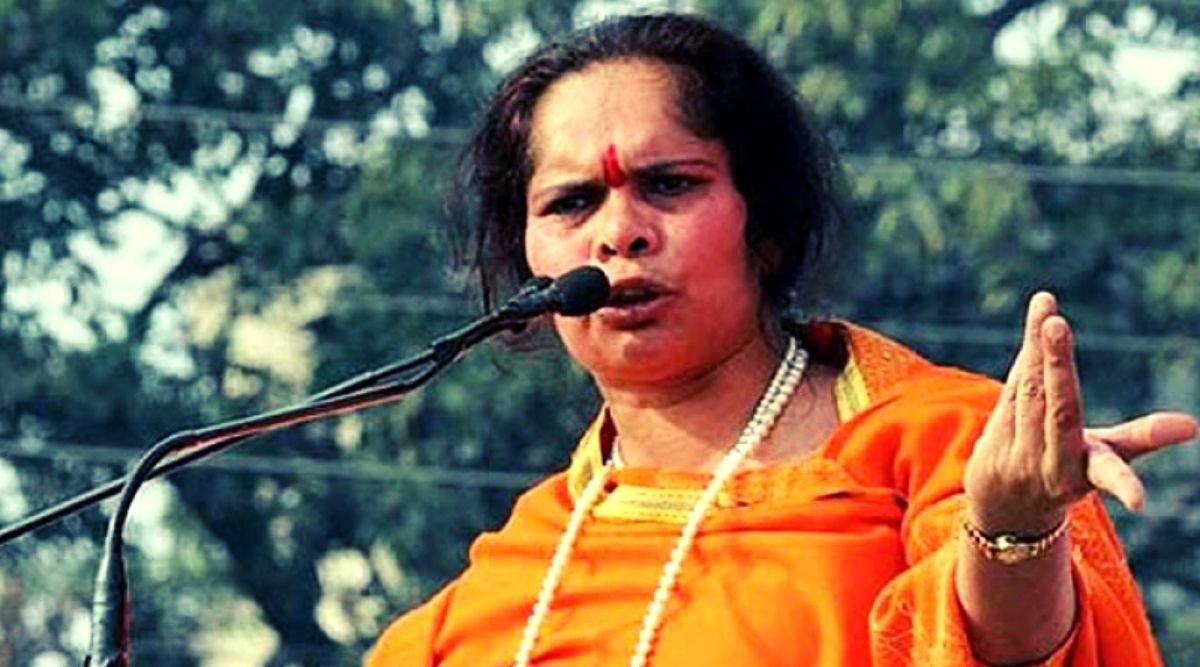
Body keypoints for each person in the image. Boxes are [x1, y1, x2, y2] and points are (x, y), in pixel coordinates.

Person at [366, 13, 1197, 666]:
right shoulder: (510, 573)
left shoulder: (949, 445)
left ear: (765, 224)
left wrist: (1014, 533)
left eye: (669, 184)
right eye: (572, 202)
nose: (619, 233)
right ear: (529, 264)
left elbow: (1006, 641)